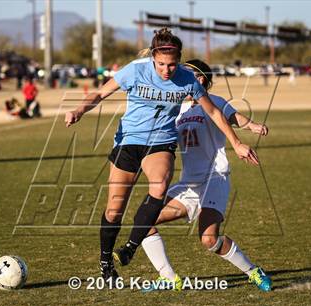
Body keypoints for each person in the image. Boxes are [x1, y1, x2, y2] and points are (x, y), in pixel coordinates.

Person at [64, 28, 259, 284]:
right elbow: (100, 93)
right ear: (153, 57)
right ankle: (105, 265)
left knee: (159, 184)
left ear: (179, 59)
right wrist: (80, 110)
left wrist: (237, 142)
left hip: (160, 143)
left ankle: (131, 247)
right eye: (161, 65)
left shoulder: (187, 79)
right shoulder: (136, 69)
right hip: (128, 141)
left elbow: (213, 112)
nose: (167, 70)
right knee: (114, 210)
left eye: (172, 65)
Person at [114, 59, 272, 292]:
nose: (184, 77)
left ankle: (253, 271)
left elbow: (231, 116)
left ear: (204, 81)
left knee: (209, 240)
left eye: (192, 74)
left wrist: (251, 127)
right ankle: (168, 277)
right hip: (188, 184)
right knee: (144, 221)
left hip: (214, 179)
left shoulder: (212, 102)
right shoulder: (176, 108)